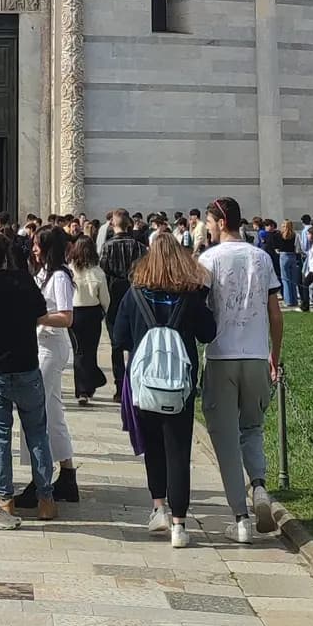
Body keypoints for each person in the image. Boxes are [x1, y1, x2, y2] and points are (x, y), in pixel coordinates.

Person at [111, 231, 215, 549]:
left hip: (145, 385)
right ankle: (179, 525)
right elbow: (208, 333)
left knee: (153, 447)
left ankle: (158, 508)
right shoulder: (190, 295)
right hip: (179, 387)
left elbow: (119, 337)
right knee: (179, 452)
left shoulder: (135, 293)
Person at [198, 195, 282, 545]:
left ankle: (240, 517)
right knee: (252, 426)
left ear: (219, 222)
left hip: (221, 355)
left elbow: (198, 309)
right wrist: (274, 356)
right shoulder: (261, 257)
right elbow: (275, 313)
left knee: (225, 439)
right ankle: (259, 487)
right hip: (256, 354)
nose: (205, 227)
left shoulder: (209, 258)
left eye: (208, 221)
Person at [0, 227, 54, 527]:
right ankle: (46, 499)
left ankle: (5, 498)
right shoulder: (23, 280)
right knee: (37, 433)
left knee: (0, 436)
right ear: (5, 254)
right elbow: (40, 313)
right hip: (28, 365)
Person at [16, 225, 78, 507]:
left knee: (34, 411)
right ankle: (67, 473)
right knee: (53, 411)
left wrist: (37, 317)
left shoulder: (61, 277)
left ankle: (38, 478)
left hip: (51, 347)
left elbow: (66, 317)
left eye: (38, 244)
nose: (34, 248)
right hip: (41, 345)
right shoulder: (44, 274)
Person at [101, 209, 146, 398]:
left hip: (114, 294)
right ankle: (135, 383)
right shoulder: (139, 247)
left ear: (113, 225)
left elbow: (103, 270)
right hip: (135, 293)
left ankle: (120, 387)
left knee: (116, 344)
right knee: (137, 341)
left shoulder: (108, 246)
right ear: (129, 224)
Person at [68, 234, 109, 404]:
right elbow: (105, 298)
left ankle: (82, 389)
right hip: (92, 313)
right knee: (90, 350)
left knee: (78, 351)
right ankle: (89, 386)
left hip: (75, 312)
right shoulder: (98, 272)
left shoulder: (70, 270)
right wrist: (103, 312)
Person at [275, 221, 301, 309]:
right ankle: (294, 300)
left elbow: (277, 248)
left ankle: (288, 301)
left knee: (285, 279)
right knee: (293, 280)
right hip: (292, 256)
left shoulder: (279, 235)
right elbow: (297, 248)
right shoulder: (295, 235)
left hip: (283, 256)